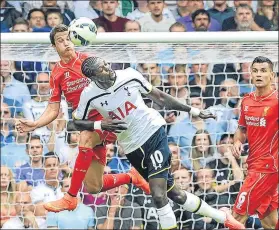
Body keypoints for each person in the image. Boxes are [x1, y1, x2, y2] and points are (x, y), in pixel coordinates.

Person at [72, 56, 245, 229]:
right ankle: (223, 217)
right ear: (93, 77)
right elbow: (76, 122)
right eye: (101, 69)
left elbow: (160, 97)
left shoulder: (129, 75)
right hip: (132, 147)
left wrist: (194, 111)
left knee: (157, 194)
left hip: (153, 132)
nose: (108, 69)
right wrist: (99, 124)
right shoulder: (89, 94)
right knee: (175, 194)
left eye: (106, 64)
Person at [16, 24, 150, 213]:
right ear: (54, 47)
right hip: (88, 125)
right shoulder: (57, 74)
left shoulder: (89, 61)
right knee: (94, 186)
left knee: (85, 137)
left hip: (109, 119)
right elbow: (53, 108)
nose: (66, 43)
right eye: (60, 41)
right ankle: (131, 177)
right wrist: (36, 124)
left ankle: (70, 197)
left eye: (68, 38)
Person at [230, 56, 278, 229]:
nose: (259, 74)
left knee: (235, 217)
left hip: (267, 169)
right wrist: (237, 141)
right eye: (255, 71)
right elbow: (242, 129)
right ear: (250, 73)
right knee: (270, 223)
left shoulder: (277, 101)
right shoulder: (247, 100)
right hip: (253, 165)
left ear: (271, 75)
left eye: (263, 71)